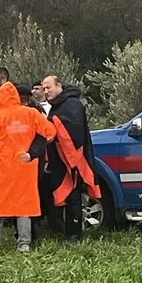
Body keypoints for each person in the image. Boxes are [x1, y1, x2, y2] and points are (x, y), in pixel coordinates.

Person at [0, 81, 57, 252]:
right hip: (26, 166)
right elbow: (50, 133)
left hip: (5, 168)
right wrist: (34, 149)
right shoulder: (31, 114)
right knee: (25, 204)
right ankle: (23, 244)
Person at [41, 75, 102, 241]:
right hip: (59, 160)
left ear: (58, 85)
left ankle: (74, 235)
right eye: (44, 89)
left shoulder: (73, 104)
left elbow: (74, 129)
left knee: (73, 197)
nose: (46, 92)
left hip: (74, 161)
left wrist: (51, 122)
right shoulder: (57, 105)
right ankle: (62, 232)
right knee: (61, 196)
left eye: (48, 87)